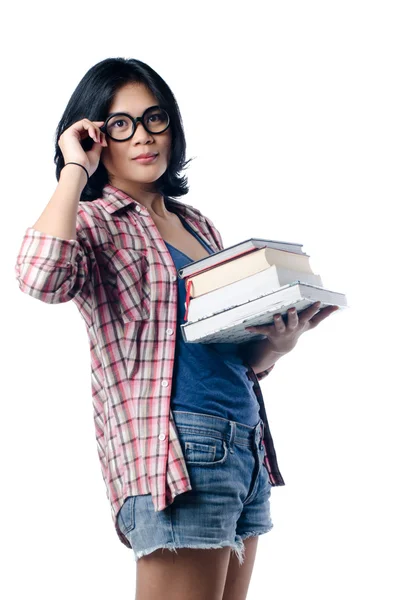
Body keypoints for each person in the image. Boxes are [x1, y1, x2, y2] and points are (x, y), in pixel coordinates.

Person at [15, 57, 339, 600]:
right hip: (177, 449)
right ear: (95, 136)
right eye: (120, 124)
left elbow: (221, 350)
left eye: (154, 119)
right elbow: (40, 277)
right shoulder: (93, 220)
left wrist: (276, 346)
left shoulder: (198, 225)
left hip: (245, 442)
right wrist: (75, 169)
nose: (143, 137)